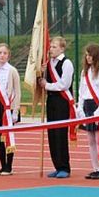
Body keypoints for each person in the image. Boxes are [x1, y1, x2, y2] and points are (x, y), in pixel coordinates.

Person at [38, 36, 75, 178]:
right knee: (52, 134)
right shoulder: (48, 64)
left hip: (62, 101)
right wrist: (41, 73)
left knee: (60, 134)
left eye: (54, 47)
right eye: (50, 47)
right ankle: (57, 166)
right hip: (51, 100)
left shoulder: (66, 63)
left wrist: (47, 85)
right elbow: (42, 80)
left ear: (62, 48)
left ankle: (65, 167)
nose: (51, 49)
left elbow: (64, 84)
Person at [76, 43, 99, 180]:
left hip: (98, 108)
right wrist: (80, 109)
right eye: (86, 55)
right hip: (87, 107)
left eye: (90, 55)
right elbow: (81, 92)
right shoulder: (84, 72)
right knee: (90, 140)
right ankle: (94, 168)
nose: (87, 57)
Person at [0, 43, 21, 176]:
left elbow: (17, 92)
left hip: (8, 106)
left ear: (9, 55)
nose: (2, 55)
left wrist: (15, 110)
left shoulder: (12, 71)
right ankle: (2, 165)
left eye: (5, 53)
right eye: (0, 53)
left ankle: (9, 166)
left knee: (8, 136)